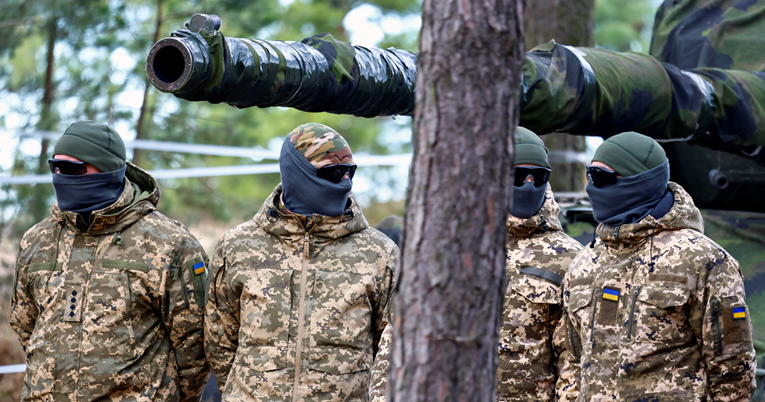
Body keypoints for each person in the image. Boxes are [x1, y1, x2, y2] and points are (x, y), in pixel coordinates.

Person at [368, 127, 583, 401]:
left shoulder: (567, 256)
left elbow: (573, 359)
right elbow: (397, 342)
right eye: (517, 175)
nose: (529, 185)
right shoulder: (441, 246)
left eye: (539, 176)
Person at [10, 120, 210, 401]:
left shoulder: (169, 243)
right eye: (55, 167)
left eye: (71, 168)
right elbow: (25, 324)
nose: (59, 176)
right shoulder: (37, 240)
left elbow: (195, 346)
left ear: (105, 168)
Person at [204, 123, 397, 401]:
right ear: (297, 173)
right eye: (332, 172)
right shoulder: (237, 246)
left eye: (349, 171)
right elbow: (219, 340)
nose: (344, 180)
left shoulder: (380, 252)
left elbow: (391, 350)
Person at [559, 132, 756, 401]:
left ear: (638, 182)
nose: (591, 188)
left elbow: (734, 372)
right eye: (589, 174)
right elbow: (572, 362)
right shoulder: (584, 263)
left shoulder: (704, 261)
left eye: (601, 177)